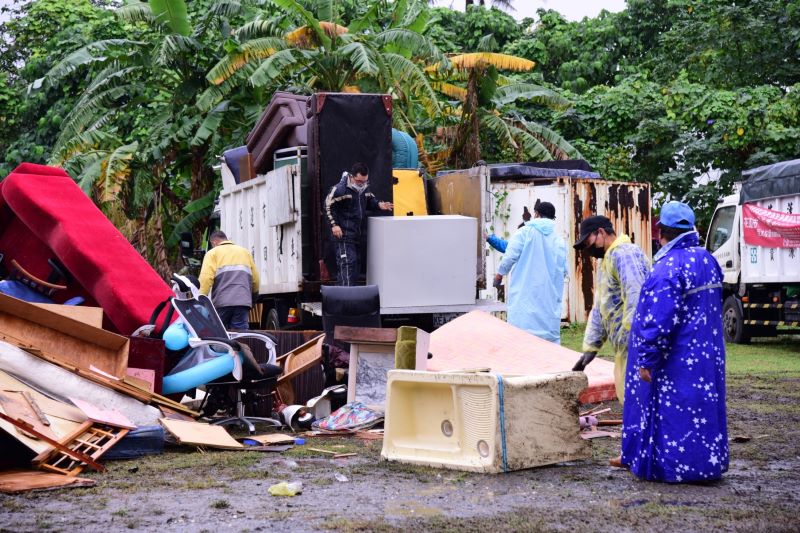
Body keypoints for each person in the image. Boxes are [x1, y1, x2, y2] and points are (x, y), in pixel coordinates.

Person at [621, 201, 728, 483]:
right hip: (707, 355)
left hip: (676, 359)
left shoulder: (667, 268)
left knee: (673, 412)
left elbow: (658, 321)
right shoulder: (708, 259)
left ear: (661, 233)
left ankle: (674, 467)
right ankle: (706, 464)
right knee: (702, 409)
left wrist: (647, 359)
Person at [571, 215, 650, 402]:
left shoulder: (625, 254)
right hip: (624, 349)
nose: (587, 250)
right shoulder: (607, 260)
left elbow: (636, 295)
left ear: (600, 232)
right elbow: (601, 307)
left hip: (636, 345)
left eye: (588, 242)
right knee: (630, 399)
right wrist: (591, 349)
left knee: (640, 401)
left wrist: (638, 339)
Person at [493, 202, 566, 343]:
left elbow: (509, 256)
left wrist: (499, 274)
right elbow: (564, 269)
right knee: (547, 342)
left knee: (522, 337)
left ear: (536, 214)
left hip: (525, 298)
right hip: (548, 299)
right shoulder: (558, 240)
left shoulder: (524, 233)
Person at [324, 162, 393, 286]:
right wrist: (334, 225)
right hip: (343, 235)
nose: (362, 184)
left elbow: (370, 200)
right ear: (351, 176)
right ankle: (346, 299)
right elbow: (328, 206)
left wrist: (379, 205)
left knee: (355, 268)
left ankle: (347, 296)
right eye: (359, 181)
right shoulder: (339, 189)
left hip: (357, 235)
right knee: (348, 264)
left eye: (365, 181)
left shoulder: (364, 188)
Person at [198, 230, 259, 330]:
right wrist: (253, 299)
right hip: (242, 302)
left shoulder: (213, 253)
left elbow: (205, 279)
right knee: (240, 335)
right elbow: (255, 280)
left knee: (217, 334)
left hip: (222, 303)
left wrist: (199, 299)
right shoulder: (245, 252)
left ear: (214, 242)